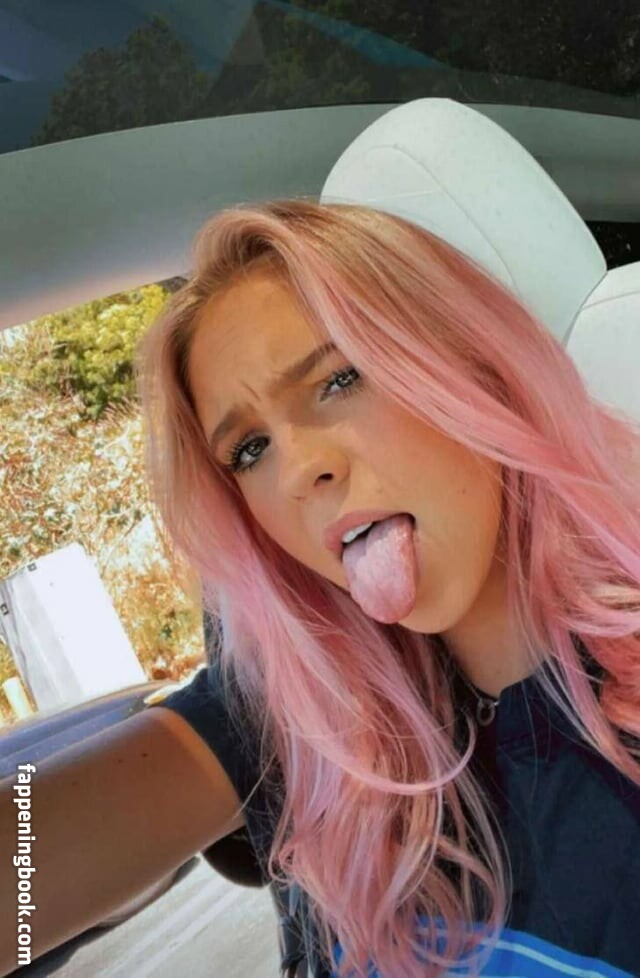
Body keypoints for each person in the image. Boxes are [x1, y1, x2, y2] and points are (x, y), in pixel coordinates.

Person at [1, 197, 638, 978]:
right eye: (250, 449)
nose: (301, 471)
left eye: (340, 378)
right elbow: (23, 867)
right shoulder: (306, 720)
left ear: (473, 361)